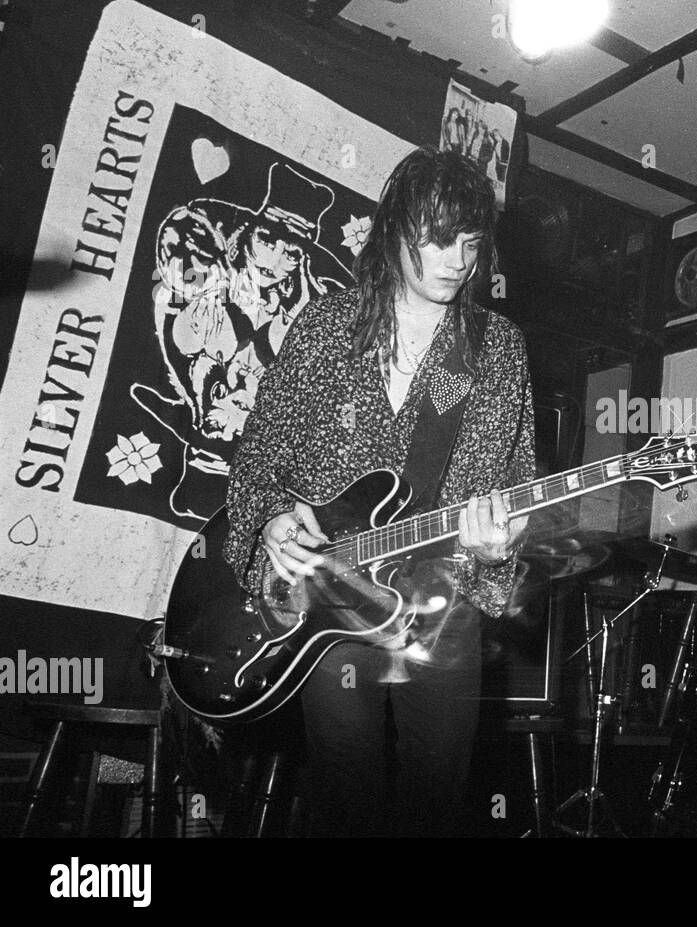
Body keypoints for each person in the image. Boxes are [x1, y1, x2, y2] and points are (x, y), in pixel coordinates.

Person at [223, 147, 535, 836]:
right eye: (438, 236)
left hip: (443, 604)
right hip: (332, 599)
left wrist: (497, 547)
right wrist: (274, 517)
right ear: (394, 229)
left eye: (471, 241)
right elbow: (258, 456)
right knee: (344, 794)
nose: (457, 258)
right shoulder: (326, 330)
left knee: (435, 799)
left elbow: (514, 483)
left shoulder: (495, 347)